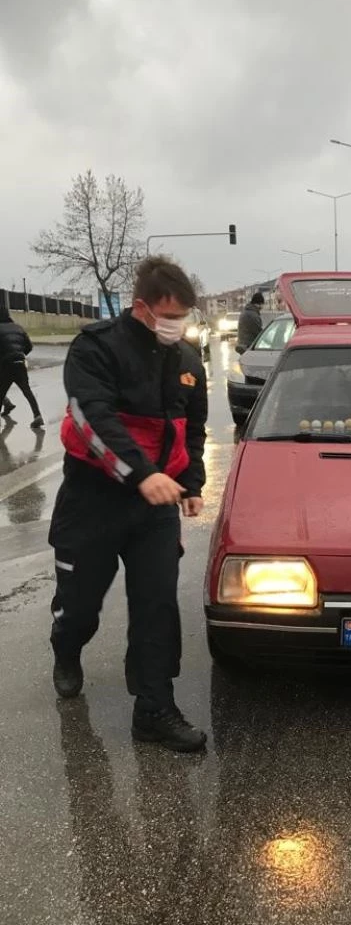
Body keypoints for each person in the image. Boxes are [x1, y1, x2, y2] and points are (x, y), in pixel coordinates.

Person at [48, 256, 208, 752]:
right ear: (141, 307)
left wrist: (193, 481)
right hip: (92, 502)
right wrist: (143, 474)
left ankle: (154, 708)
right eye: (169, 315)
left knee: (157, 606)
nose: (176, 325)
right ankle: (66, 649)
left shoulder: (185, 360)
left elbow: (192, 429)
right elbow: (91, 420)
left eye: (184, 317)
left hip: (154, 510)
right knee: (79, 607)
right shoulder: (96, 348)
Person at [0, 307, 44, 428]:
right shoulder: (18, 327)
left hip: (6, 365)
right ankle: (38, 416)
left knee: (1, 392)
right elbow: (29, 346)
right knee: (27, 391)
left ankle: (7, 405)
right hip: (20, 362)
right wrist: (20, 353)